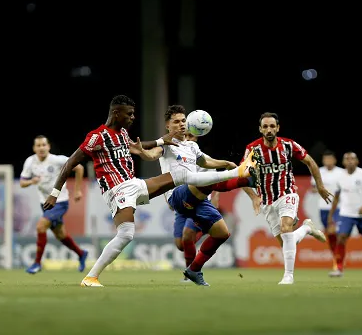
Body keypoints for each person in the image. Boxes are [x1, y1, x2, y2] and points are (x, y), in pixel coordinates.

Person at [42, 95, 256, 287]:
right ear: (116, 113)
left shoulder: (124, 133)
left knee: (179, 183)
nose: (133, 117)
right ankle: (91, 277)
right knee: (126, 234)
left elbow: (137, 146)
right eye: (130, 114)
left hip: (134, 184)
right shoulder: (97, 136)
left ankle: (193, 269)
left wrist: (160, 140)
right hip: (117, 189)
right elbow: (70, 162)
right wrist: (54, 192)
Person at [241, 112, 331, 285]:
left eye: (272, 126)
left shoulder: (288, 145)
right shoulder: (253, 150)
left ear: (278, 128)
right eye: (265, 126)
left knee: (286, 227)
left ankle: (288, 276)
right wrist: (253, 196)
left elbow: (311, 162)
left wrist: (320, 186)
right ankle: (306, 229)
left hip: (287, 193)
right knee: (286, 240)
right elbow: (241, 175)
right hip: (267, 200)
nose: (269, 129)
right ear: (260, 129)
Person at [175, 130, 256, 283]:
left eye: (191, 136)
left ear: (197, 138)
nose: (188, 139)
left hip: (198, 202)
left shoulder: (203, 159)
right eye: (185, 136)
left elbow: (214, 181)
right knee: (182, 243)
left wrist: (216, 199)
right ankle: (192, 269)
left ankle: (190, 273)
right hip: (181, 201)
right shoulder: (178, 156)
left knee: (193, 235)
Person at [20, 135, 88, 274]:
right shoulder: (30, 162)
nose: (41, 148)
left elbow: (79, 168)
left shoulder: (57, 160)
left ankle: (37, 263)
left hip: (59, 201)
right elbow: (22, 182)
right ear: (34, 148)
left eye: (43, 145)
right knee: (60, 235)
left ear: (48, 147)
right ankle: (81, 253)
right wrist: (31, 181)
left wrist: (77, 190)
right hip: (44, 203)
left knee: (40, 227)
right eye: (38, 145)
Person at [327, 152, 362, 278]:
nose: (350, 161)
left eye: (352, 159)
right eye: (347, 159)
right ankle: (339, 268)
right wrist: (331, 215)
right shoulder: (339, 177)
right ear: (344, 162)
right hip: (346, 213)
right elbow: (336, 198)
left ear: (357, 161)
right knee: (341, 238)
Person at [309, 149, 345, 270]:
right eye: (326, 159)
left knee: (333, 231)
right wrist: (319, 189)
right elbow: (313, 188)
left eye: (330, 159)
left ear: (334, 160)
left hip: (339, 207)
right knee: (330, 234)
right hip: (323, 207)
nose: (328, 161)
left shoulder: (341, 173)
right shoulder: (318, 171)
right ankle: (336, 258)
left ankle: (338, 260)